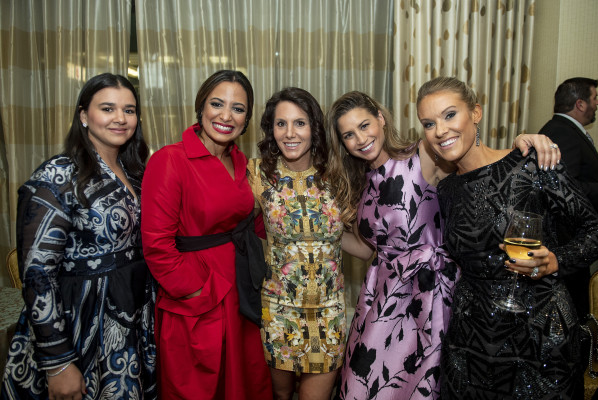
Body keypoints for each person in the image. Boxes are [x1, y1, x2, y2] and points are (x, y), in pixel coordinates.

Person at [325, 91, 561, 399]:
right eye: (349, 135)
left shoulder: (422, 153)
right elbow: (372, 249)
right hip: (382, 296)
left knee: (420, 383)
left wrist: (522, 143)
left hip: (429, 294)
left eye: (365, 125)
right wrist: (326, 233)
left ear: (381, 120)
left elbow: (476, 160)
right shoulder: (360, 179)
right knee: (362, 385)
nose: (360, 138)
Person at [417, 76, 598, 399]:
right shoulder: (447, 190)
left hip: (540, 340)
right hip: (469, 344)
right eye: (429, 123)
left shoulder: (532, 164)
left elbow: (594, 230)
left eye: (449, 115)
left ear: (476, 112)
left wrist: (557, 259)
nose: (440, 131)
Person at [1, 73, 157, 399]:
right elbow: (38, 274)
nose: (120, 118)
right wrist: (58, 362)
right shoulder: (58, 174)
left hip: (131, 320)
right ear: (84, 115)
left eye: (129, 110)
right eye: (108, 108)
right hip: (79, 326)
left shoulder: (137, 172)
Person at [141, 70, 272, 399]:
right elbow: (157, 246)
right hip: (198, 298)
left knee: (244, 385)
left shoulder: (241, 162)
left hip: (241, 293)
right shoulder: (170, 160)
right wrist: (197, 290)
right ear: (201, 107)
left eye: (238, 109)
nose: (226, 116)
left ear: (247, 119)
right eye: (217, 103)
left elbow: (249, 222)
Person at [247, 87, 346, 400]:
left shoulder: (338, 174)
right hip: (278, 312)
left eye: (299, 123)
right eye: (281, 124)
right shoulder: (257, 174)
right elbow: (231, 225)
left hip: (329, 313)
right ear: (271, 128)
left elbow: (361, 235)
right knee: (278, 396)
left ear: (314, 127)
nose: (289, 133)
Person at [539, 77, 598, 320]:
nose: (597, 103)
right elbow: (566, 189)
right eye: (594, 98)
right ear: (581, 104)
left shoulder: (567, 131)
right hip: (566, 243)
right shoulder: (560, 132)